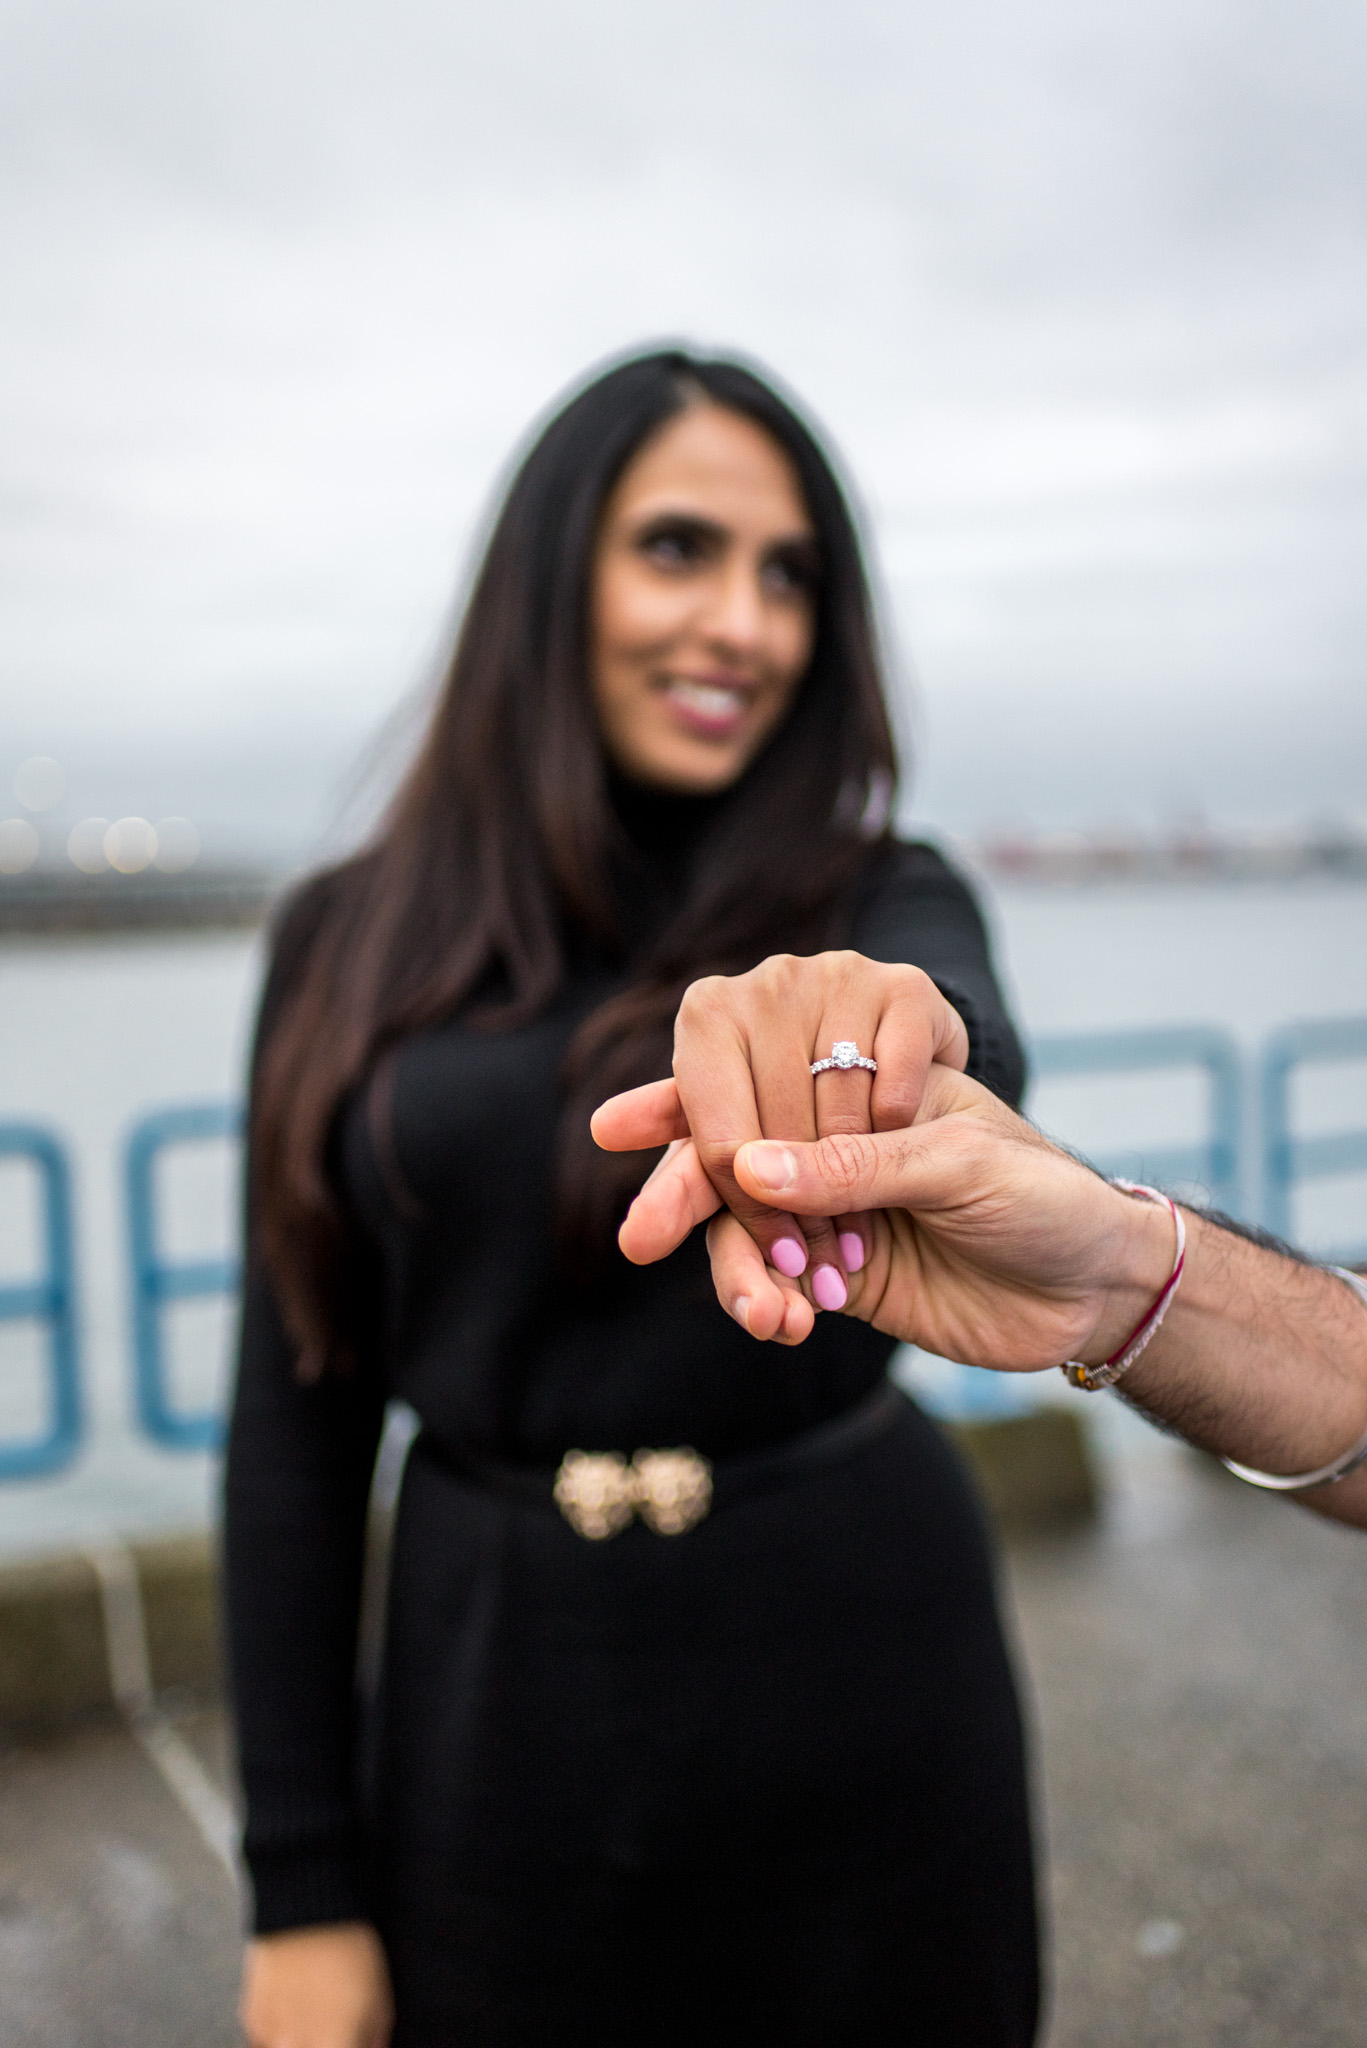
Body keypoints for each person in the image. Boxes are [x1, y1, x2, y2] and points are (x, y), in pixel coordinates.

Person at [228, 349, 1042, 2048]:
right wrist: (300, 1879)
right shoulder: (343, 938)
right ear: (552, 573)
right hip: (485, 1694)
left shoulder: (881, 891)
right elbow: (293, 1424)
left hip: (861, 1668)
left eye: (789, 574)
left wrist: (878, 1052)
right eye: (680, 547)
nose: (741, 621)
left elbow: (955, 1050)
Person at [592, 956, 1367, 1533]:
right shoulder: (465, 904)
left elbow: (975, 1037)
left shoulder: (894, 878)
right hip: (481, 1612)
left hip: (865, 1559)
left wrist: (905, 1041)